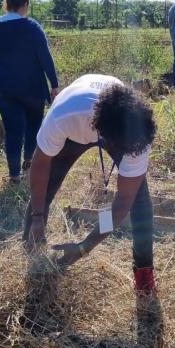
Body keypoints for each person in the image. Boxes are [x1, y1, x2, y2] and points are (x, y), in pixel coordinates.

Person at [23, 74, 157, 299]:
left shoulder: (138, 138)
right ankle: (32, 261)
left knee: (140, 202)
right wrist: (37, 217)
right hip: (78, 125)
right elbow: (40, 164)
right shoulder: (64, 117)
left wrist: (85, 246)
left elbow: (123, 200)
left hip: (112, 124)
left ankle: (144, 273)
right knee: (44, 192)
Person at [0, 0, 59, 183]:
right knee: (34, 124)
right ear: (26, 4)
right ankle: (29, 162)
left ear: (6, 4)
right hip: (31, 86)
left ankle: (14, 174)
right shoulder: (31, 27)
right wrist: (54, 84)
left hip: (1, 87)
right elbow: (45, 57)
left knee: (13, 129)